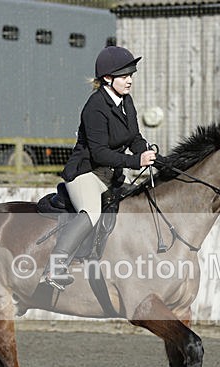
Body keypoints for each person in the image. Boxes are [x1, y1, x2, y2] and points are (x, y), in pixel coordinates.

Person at [41, 45, 157, 291]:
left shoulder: (126, 102)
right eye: (125, 76)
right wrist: (136, 162)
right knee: (92, 213)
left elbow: (134, 137)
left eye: (131, 75)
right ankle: (55, 267)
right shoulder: (95, 107)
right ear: (107, 78)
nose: (129, 80)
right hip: (86, 174)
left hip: (110, 176)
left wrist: (148, 151)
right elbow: (99, 153)